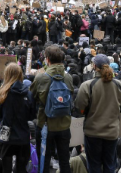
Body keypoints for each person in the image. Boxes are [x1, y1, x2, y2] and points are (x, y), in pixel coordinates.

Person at [74, 54, 121, 173]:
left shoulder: (87, 85)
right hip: (112, 132)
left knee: (94, 166)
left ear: (94, 66)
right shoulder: (118, 84)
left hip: (92, 132)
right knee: (110, 165)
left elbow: (79, 109)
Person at [32, 44, 74, 173]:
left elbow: (33, 97)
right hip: (64, 124)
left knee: (44, 160)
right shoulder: (68, 77)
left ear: (47, 59)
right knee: (64, 161)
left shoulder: (40, 77)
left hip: (45, 124)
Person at [0, 62, 36, 173]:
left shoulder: (3, 93)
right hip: (23, 134)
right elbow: (32, 115)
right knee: (21, 168)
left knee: (6, 168)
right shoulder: (28, 94)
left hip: (6, 134)